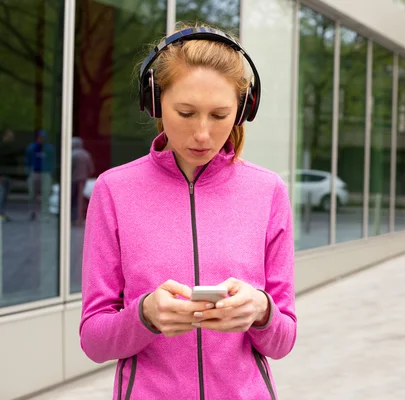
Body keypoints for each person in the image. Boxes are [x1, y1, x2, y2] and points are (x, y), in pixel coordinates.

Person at [79, 24, 296, 400]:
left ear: (243, 110)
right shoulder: (113, 190)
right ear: (155, 100)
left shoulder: (269, 192)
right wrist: (144, 315)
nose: (202, 134)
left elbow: (283, 341)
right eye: (186, 112)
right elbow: (94, 341)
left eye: (219, 115)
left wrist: (262, 310)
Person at [25, 129, 55, 220]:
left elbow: (52, 161)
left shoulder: (49, 148)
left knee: (46, 193)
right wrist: (28, 173)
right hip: (35, 172)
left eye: (43, 138)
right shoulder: (32, 148)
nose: (41, 139)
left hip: (45, 173)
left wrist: (51, 171)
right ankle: (32, 212)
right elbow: (28, 161)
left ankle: (45, 213)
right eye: (40, 137)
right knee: (32, 194)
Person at [71, 136, 94, 225]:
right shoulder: (86, 154)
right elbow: (91, 169)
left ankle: (75, 218)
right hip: (83, 179)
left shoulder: (72, 154)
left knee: (73, 199)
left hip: (73, 180)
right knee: (79, 199)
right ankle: (79, 218)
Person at [0, 129, 17, 221]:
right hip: (3, 176)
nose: (12, 138)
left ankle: (2, 213)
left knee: (4, 196)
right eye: (10, 136)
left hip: (9, 175)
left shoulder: (10, 148)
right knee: (1, 196)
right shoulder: (2, 147)